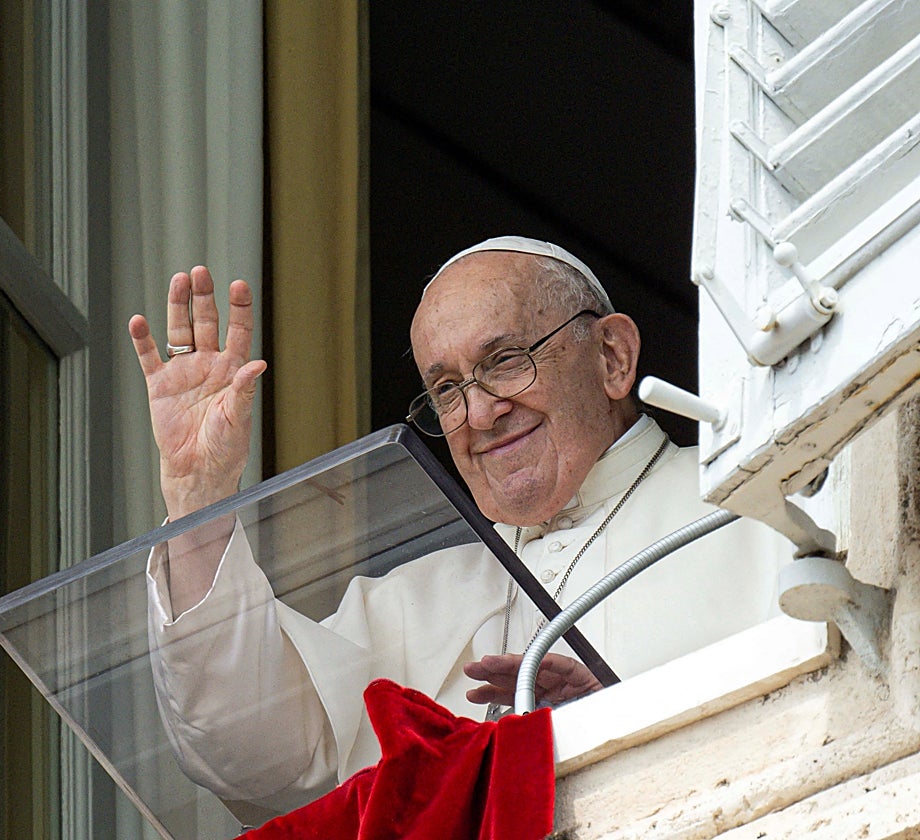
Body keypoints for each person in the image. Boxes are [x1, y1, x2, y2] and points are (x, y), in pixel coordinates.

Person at [128, 236, 789, 814]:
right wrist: (198, 493)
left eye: (504, 361)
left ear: (611, 356)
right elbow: (247, 753)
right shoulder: (411, 603)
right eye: (445, 389)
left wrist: (629, 720)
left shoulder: (760, 509)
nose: (478, 413)